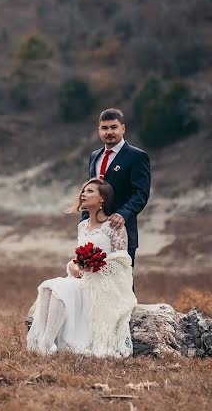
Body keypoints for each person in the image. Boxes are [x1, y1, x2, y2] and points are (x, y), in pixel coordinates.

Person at [26, 178, 137, 357]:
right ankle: (45, 342)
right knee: (48, 286)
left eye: (90, 191)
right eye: (83, 191)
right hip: (81, 279)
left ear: (102, 198)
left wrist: (97, 265)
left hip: (103, 284)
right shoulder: (83, 226)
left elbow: (122, 261)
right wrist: (73, 265)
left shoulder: (114, 226)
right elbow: (78, 258)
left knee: (59, 288)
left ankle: (46, 345)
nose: (83, 194)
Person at [85, 108, 150, 268]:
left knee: (123, 286)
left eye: (114, 127)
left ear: (123, 128)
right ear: (99, 130)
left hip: (122, 231)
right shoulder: (95, 156)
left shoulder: (137, 156)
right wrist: (85, 222)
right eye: (104, 128)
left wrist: (123, 214)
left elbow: (141, 193)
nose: (109, 132)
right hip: (95, 233)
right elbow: (91, 191)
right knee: (92, 283)